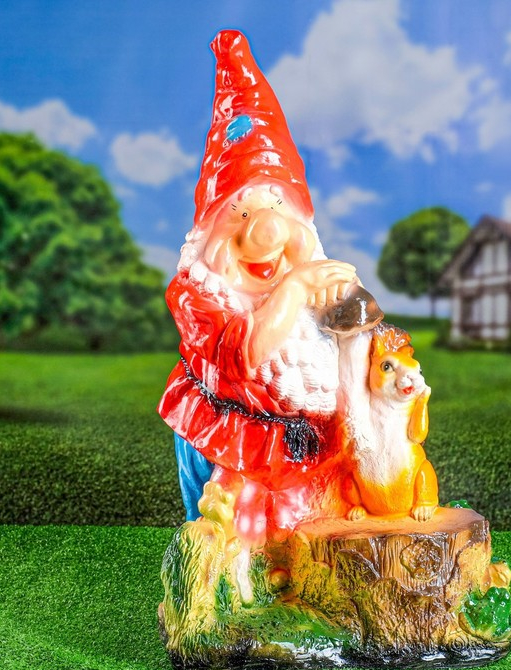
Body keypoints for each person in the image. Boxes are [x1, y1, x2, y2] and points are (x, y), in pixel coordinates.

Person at [158, 31, 356, 546]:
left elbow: (364, 347)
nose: (266, 233)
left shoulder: (315, 272)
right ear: (210, 229)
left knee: (310, 536)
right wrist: (292, 288)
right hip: (234, 446)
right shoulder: (198, 295)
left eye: (278, 207)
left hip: (311, 452)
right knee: (237, 541)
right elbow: (238, 357)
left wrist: (351, 306)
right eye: (241, 213)